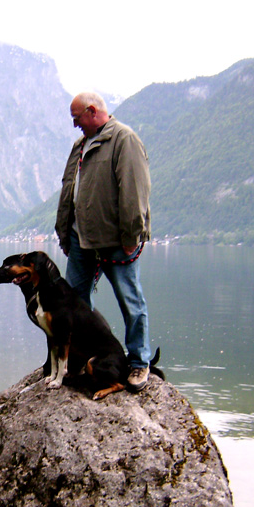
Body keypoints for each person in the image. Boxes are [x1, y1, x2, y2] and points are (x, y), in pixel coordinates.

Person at [54, 91, 154, 392]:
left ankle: (138, 363)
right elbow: (69, 190)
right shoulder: (81, 145)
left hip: (114, 240)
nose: (75, 126)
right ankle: (81, 360)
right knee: (72, 303)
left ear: (92, 111)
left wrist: (130, 236)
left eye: (77, 119)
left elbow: (135, 190)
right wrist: (64, 231)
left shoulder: (124, 139)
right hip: (81, 239)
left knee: (130, 299)